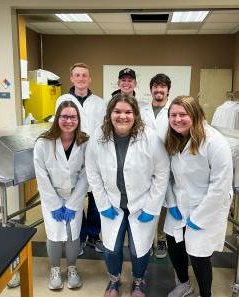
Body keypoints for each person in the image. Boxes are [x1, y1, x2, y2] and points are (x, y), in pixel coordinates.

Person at [85, 94, 170, 297]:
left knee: (138, 248)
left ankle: (138, 282)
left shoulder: (149, 136)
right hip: (112, 203)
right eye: (117, 111)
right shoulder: (98, 136)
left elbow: (162, 172)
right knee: (111, 248)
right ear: (109, 114)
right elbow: (92, 171)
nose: (122, 116)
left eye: (128, 112)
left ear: (135, 115)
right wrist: (102, 203)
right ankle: (114, 281)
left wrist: (151, 207)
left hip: (142, 203)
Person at [163, 96, 233, 297]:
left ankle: (206, 294)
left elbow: (220, 186)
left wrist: (199, 216)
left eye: (183, 114)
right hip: (179, 202)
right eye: (173, 115)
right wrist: (172, 202)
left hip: (207, 205)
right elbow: (166, 175)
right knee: (174, 246)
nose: (177, 119)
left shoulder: (214, 142)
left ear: (195, 114)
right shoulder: (173, 138)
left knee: (198, 255)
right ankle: (184, 284)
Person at [34, 100, 89, 290]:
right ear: (58, 118)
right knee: (54, 233)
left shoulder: (85, 141)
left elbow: (86, 174)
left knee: (73, 233)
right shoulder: (43, 142)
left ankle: (72, 268)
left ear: (78, 119)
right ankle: (55, 269)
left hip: (75, 194)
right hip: (51, 196)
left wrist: (73, 203)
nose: (68, 121)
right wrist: (55, 203)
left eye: (73, 117)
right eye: (64, 116)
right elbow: (41, 175)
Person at [56, 62, 106, 255]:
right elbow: (59, 125)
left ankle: (93, 235)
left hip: (95, 155)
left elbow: (103, 130)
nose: (81, 78)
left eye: (84, 75)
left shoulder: (99, 103)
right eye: (77, 75)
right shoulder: (63, 99)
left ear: (89, 79)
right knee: (74, 195)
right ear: (71, 78)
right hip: (71, 154)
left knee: (95, 196)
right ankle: (78, 235)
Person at [140, 73, 172, 259]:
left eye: (163, 87)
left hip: (168, 160)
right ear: (151, 89)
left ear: (168, 90)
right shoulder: (142, 110)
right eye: (156, 86)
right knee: (148, 200)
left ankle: (161, 238)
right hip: (145, 163)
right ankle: (146, 240)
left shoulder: (172, 110)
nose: (159, 90)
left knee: (166, 202)